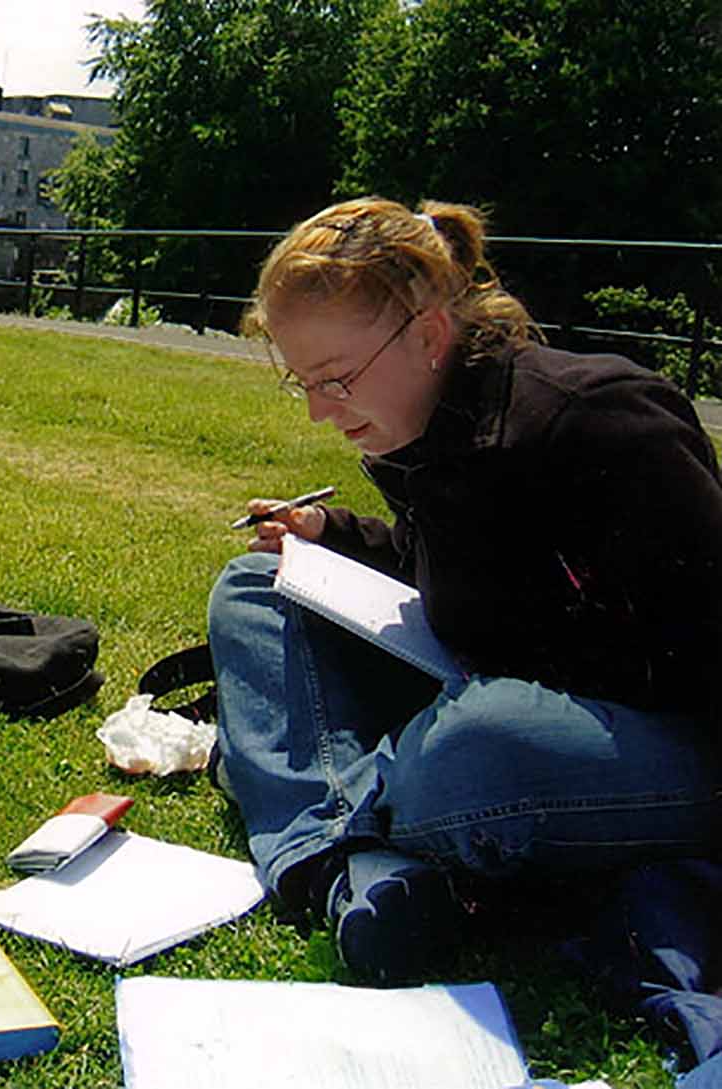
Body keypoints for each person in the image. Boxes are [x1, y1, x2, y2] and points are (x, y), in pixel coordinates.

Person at [207, 196, 722, 986]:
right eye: (301, 382)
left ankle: (309, 796)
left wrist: (516, 669)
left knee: (477, 747)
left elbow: (696, 653)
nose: (318, 411)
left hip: (655, 745)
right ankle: (353, 859)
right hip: (482, 693)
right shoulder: (426, 426)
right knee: (257, 584)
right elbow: (434, 567)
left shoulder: (603, 422)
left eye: (335, 379)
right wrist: (333, 536)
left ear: (429, 334)